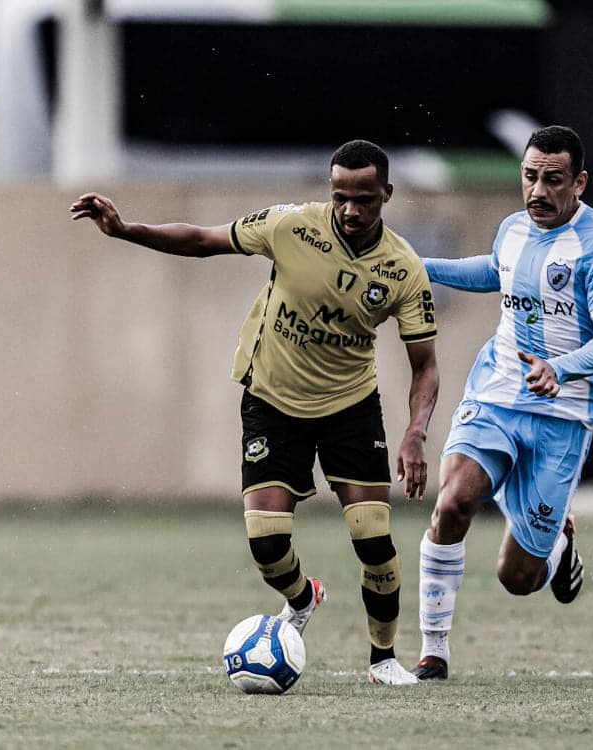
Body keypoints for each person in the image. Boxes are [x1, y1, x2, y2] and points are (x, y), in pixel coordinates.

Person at [70, 139, 439, 685]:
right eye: (341, 196)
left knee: (373, 539)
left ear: (386, 193)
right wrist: (127, 230)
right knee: (267, 546)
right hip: (272, 399)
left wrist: (415, 432)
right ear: (329, 190)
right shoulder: (291, 227)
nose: (351, 210)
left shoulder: (404, 269)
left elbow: (425, 366)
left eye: (365, 199)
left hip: (350, 406)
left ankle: (382, 659)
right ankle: (303, 595)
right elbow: (202, 239)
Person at [410, 125, 593, 680]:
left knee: (518, 578)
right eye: (529, 177)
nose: (537, 190)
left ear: (579, 182)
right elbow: (495, 271)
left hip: (563, 414)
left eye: (552, 180)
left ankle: (555, 547)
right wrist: (422, 268)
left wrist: (561, 367)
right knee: (454, 502)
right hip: (497, 390)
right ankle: (432, 651)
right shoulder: (514, 228)